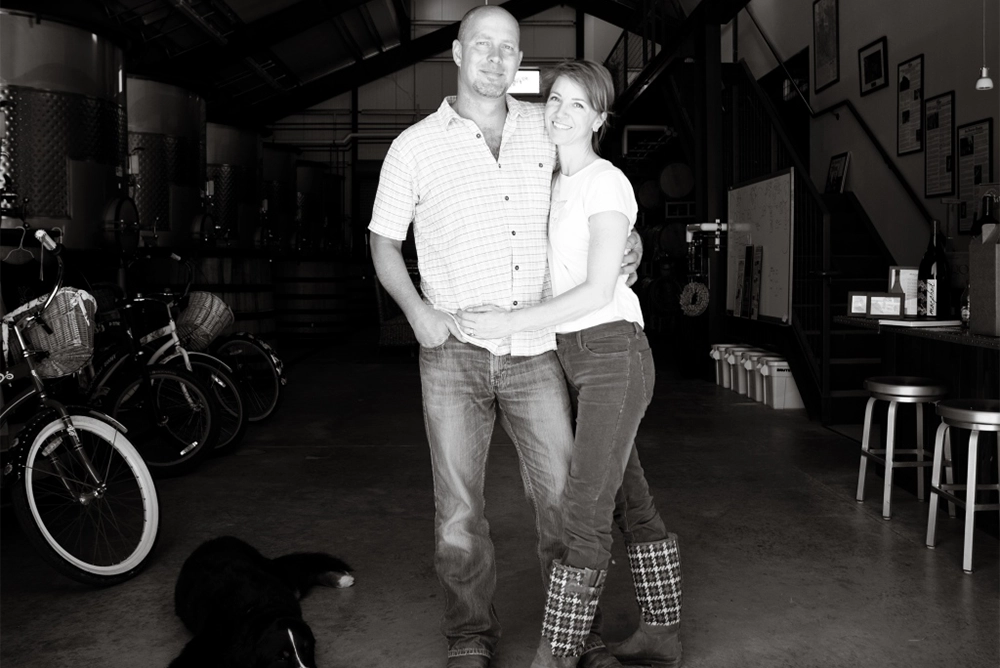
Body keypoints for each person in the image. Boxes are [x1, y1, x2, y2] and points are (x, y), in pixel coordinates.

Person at [367, 7, 642, 668]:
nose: (495, 58)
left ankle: (575, 633)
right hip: (452, 351)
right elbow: (383, 242)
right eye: (482, 45)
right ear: (457, 52)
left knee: (561, 500)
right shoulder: (413, 146)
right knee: (458, 508)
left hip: (536, 348)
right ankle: (469, 634)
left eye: (508, 48)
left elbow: (593, 190)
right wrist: (416, 312)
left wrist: (628, 243)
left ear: (520, 60)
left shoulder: (546, 127)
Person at [458, 60, 683, 668]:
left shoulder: (606, 182)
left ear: (599, 118)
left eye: (578, 105)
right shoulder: (555, 180)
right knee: (629, 498)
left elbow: (597, 289)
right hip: (576, 357)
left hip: (613, 353)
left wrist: (507, 322)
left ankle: (557, 654)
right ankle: (662, 633)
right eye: (555, 99)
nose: (560, 112)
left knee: (583, 512)